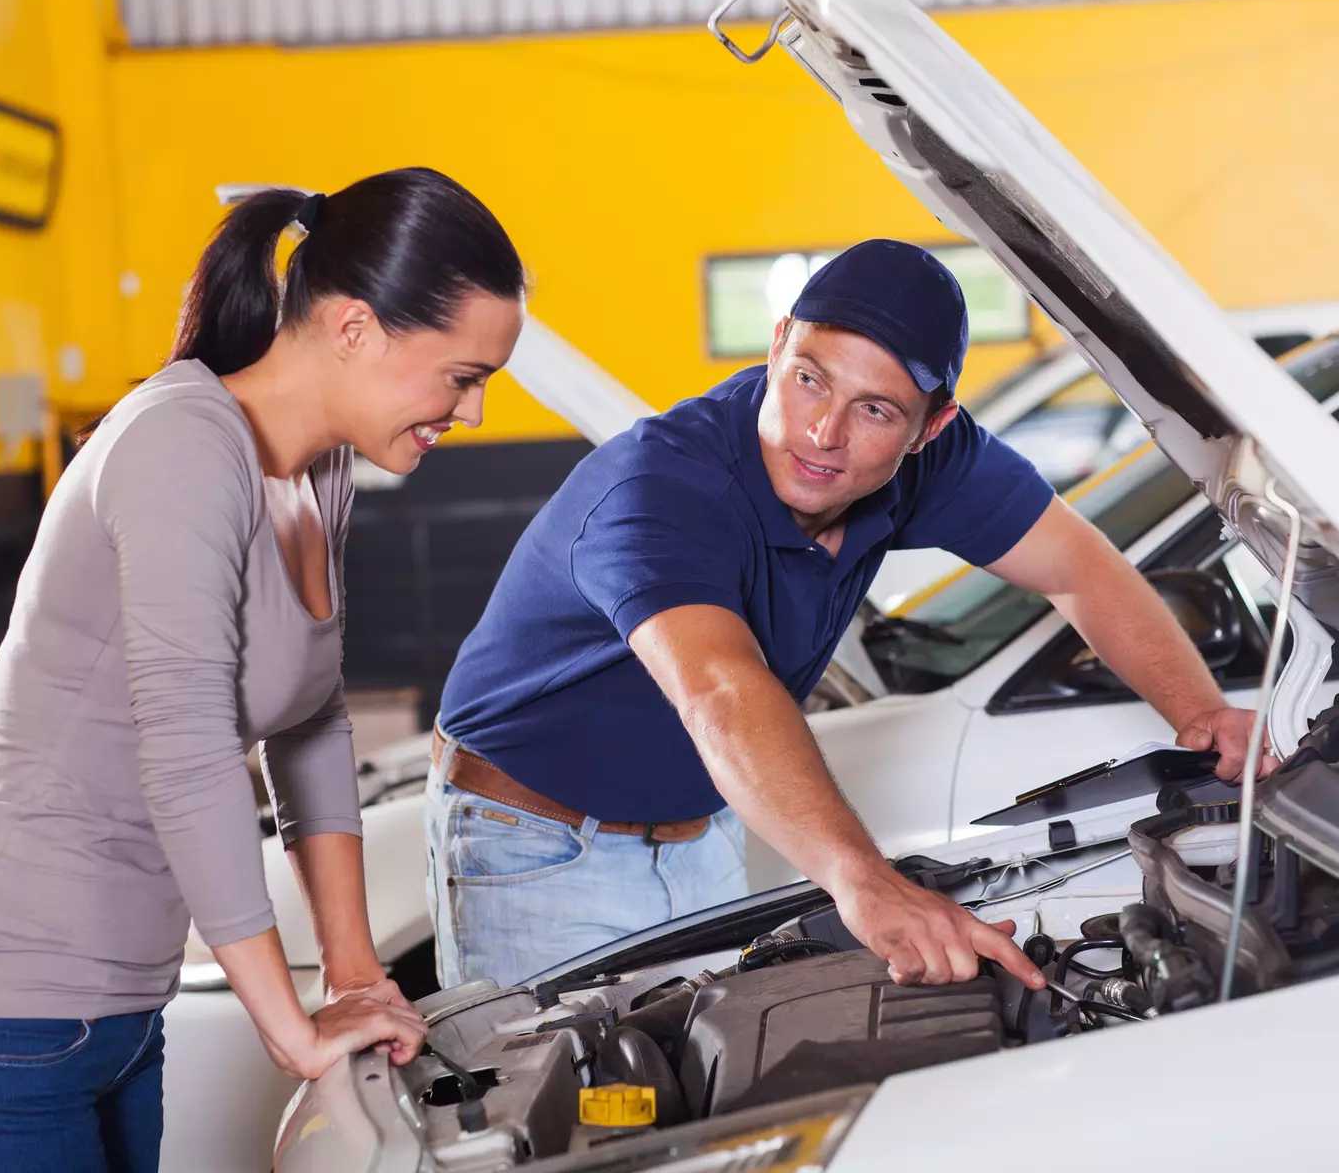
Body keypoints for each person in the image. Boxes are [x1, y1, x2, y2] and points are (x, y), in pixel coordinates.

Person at [0, 169, 526, 1172]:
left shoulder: (318, 465)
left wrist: (350, 970)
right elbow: (189, 748)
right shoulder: (181, 442)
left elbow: (310, 724)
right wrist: (288, 1027)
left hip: (117, 1016)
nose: (466, 414)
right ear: (352, 330)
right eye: (459, 376)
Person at [428, 239, 1272, 992]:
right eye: (808, 379)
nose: (824, 431)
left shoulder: (936, 461)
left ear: (929, 427)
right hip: (535, 844)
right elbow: (719, 688)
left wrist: (1201, 715)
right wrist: (862, 879)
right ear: (777, 344)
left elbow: (1081, 569)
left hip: (703, 830)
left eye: (875, 410)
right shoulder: (659, 490)